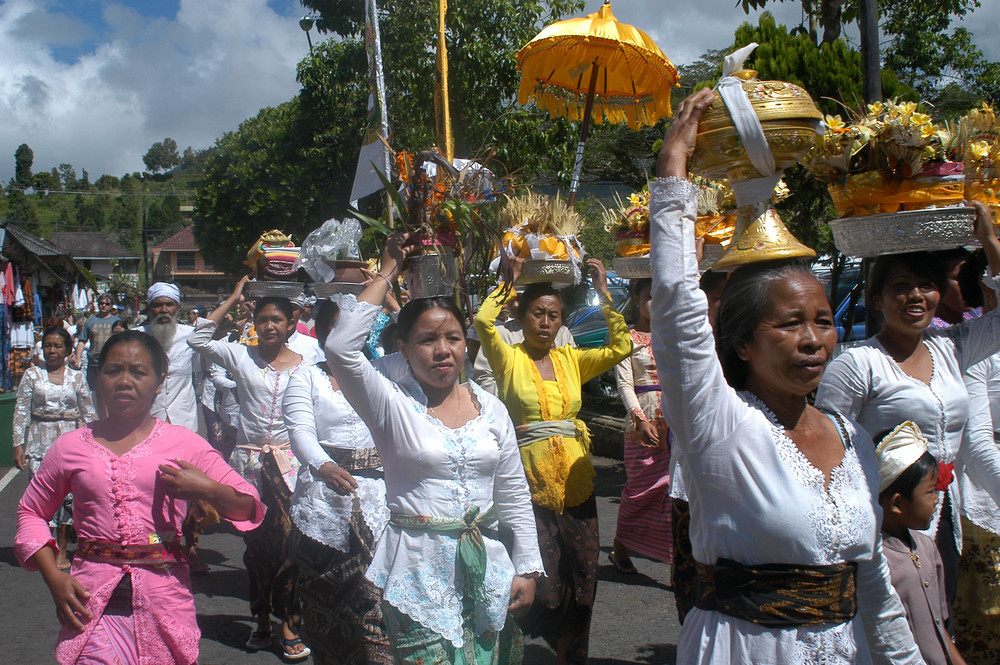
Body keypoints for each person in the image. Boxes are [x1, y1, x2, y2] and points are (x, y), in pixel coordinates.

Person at [648, 87, 920, 663]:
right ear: (743, 342)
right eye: (790, 323)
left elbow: (868, 586)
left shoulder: (854, 441)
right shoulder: (719, 424)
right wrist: (674, 183)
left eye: (823, 322)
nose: (812, 339)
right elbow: (675, 305)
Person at [325, 234, 543, 664]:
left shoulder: (491, 409)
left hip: (488, 569)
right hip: (418, 573)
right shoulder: (391, 404)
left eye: (454, 338)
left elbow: (513, 493)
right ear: (403, 349)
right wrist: (388, 271)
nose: (443, 351)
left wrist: (528, 567)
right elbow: (339, 347)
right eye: (428, 340)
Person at [15, 330, 264, 665]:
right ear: (99, 378)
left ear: (159, 382)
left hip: (165, 599)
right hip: (89, 601)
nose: (124, 381)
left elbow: (248, 506)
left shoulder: (184, 443)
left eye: (138, 372)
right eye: (113, 370)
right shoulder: (70, 447)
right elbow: (31, 511)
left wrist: (206, 489)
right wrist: (54, 577)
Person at [815, 202, 1000, 609]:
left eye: (926, 285)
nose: (916, 295)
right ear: (877, 299)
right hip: (881, 527)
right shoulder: (858, 364)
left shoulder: (952, 347)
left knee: (937, 623)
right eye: (901, 285)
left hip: (943, 516)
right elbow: (829, 454)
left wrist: (988, 240)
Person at [475, 257, 632, 665]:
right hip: (527, 483)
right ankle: (514, 643)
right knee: (538, 579)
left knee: (584, 575)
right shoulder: (508, 358)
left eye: (553, 315)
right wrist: (506, 286)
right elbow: (482, 323)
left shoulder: (571, 360)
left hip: (577, 483)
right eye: (537, 314)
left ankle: (571, 652)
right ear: (523, 317)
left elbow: (621, 346)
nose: (545, 322)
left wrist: (603, 292)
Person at [188, 277, 309, 660]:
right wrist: (234, 298)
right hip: (249, 465)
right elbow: (198, 340)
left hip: (292, 467)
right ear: (253, 323)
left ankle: (290, 621)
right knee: (256, 547)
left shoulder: (312, 361)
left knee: (292, 545)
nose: (268, 326)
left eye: (276, 319)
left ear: (292, 323)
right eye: (261, 320)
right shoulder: (240, 355)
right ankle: (262, 621)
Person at [284, 297, 393, 664]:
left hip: (380, 500)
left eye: (354, 327)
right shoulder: (305, 376)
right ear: (320, 333)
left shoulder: (382, 372)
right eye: (335, 327)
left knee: (377, 610)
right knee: (326, 611)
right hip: (324, 503)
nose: (346, 334)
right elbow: (301, 432)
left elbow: (417, 342)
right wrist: (323, 466)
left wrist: (393, 303)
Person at [876, 422, 967, 665]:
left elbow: (941, 629)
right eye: (930, 493)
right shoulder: (877, 561)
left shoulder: (926, 546)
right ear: (897, 502)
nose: (937, 501)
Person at [13, 326, 97, 570]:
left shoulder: (77, 377)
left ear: (67, 351)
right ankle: (43, 547)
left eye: (57, 346)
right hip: (40, 439)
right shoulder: (31, 376)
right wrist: (18, 444)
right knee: (41, 494)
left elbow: (88, 411)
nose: (51, 350)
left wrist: (97, 444)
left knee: (70, 496)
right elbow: (20, 411)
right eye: (47, 345)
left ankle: (62, 550)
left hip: (71, 441)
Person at [611, 278, 673, 575]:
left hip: (674, 424)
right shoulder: (628, 337)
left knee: (673, 493)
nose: (655, 302)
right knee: (640, 491)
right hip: (642, 425)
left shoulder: (673, 335)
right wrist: (640, 419)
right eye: (649, 296)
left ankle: (676, 559)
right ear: (636, 299)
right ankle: (621, 546)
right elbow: (624, 384)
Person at [471, 295, 575, 397]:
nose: (516, 305)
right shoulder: (499, 334)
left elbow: (573, 375)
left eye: (521, 298)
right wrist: (512, 401)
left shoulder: (562, 334)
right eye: (511, 300)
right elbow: (485, 377)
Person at [136, 283, 200, 432]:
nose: (164, 310)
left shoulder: (191, 336)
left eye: (169, 304)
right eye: (157, 305)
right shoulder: (136, 337)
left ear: (178, 308)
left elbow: (197, 371)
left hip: (184, 420)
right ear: (149, 309)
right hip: (147, 419)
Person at [73, 294, 121, 391]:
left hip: (111, 364)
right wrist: (78, 358)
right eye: (101, 303)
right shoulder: (90, 320)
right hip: (93, 364)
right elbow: (82, 341)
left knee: (110, 391)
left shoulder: (117, 321)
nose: (103, 306)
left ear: (111, 306)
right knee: (93, 393)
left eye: (107, 304)